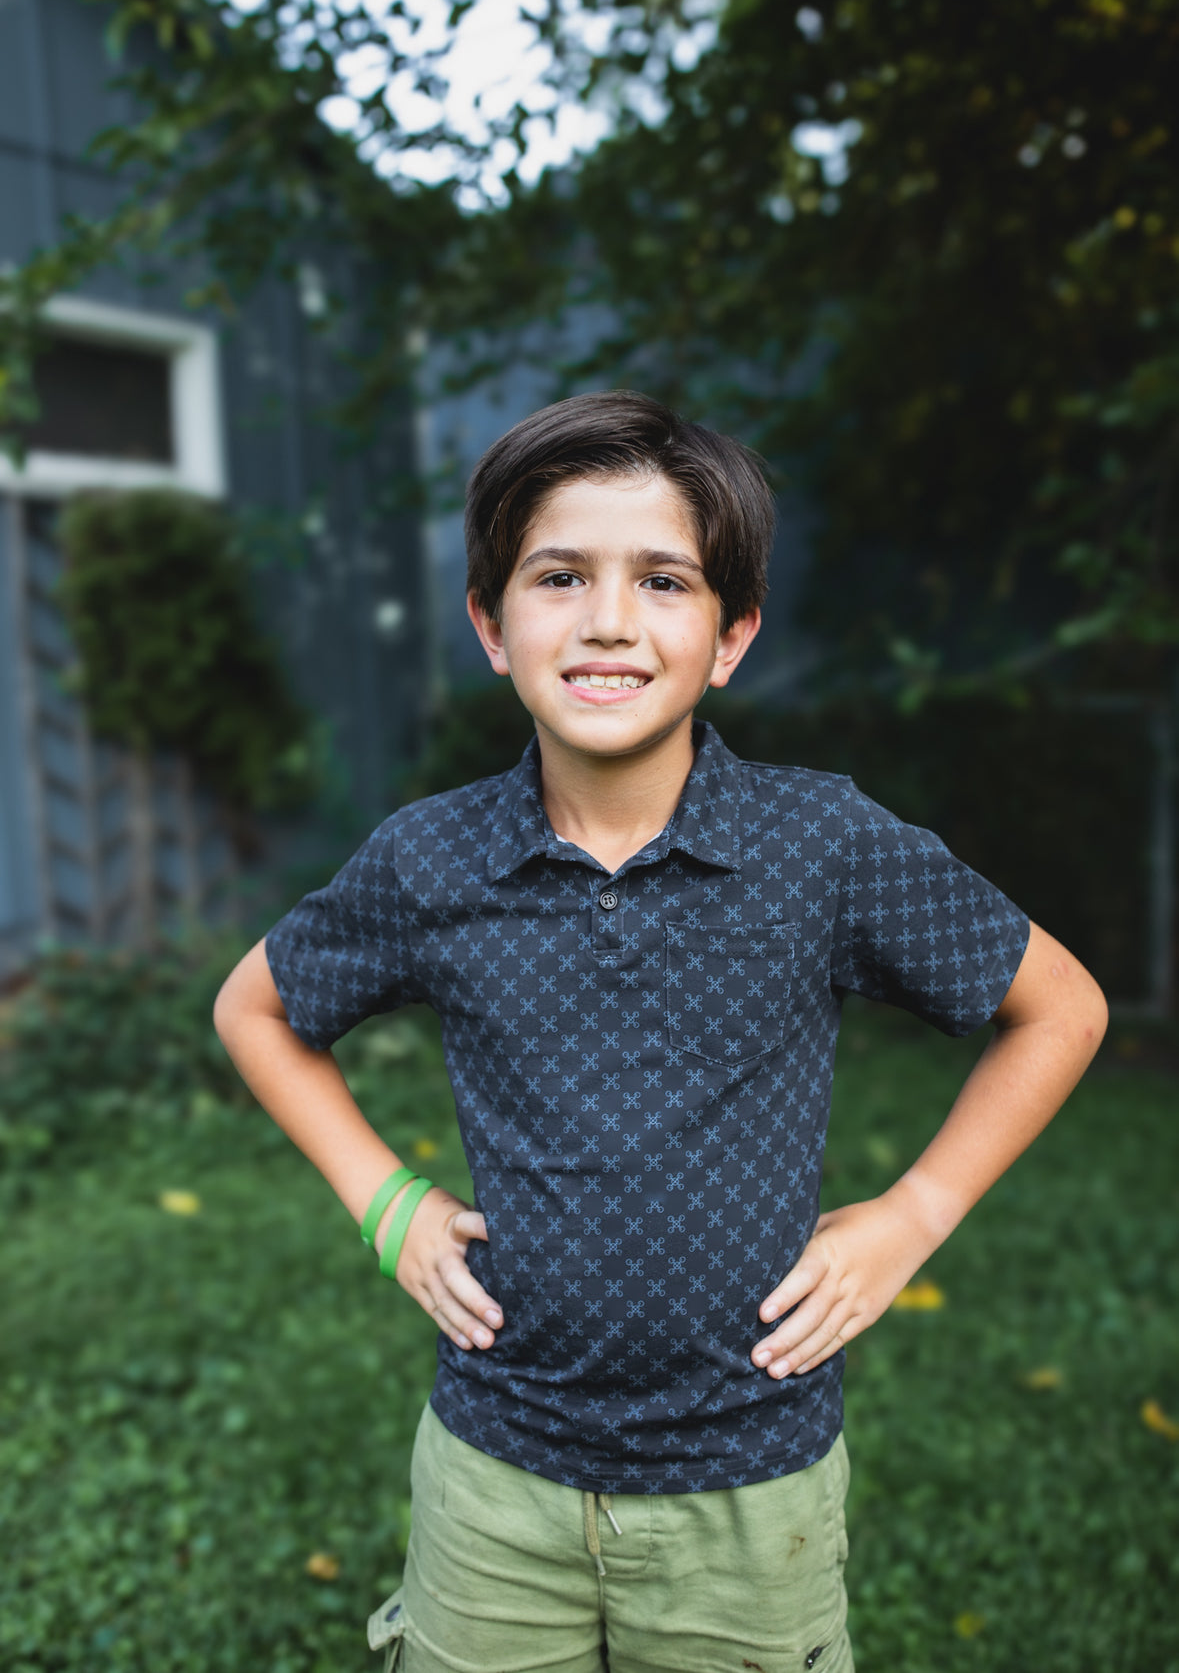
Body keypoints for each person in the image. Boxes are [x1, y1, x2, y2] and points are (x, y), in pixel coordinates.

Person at [213, 391, 1107, 1673]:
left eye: (665, 581)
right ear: (490, 623)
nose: (609, 621)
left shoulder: (824, 846)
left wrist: (914, 1215)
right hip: (494, 1476)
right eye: (559, 575)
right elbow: (254, 1007)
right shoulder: (431, 858)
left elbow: (1061, 1008)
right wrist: (384, 1200)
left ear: (731, 635)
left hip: (751, 1492)